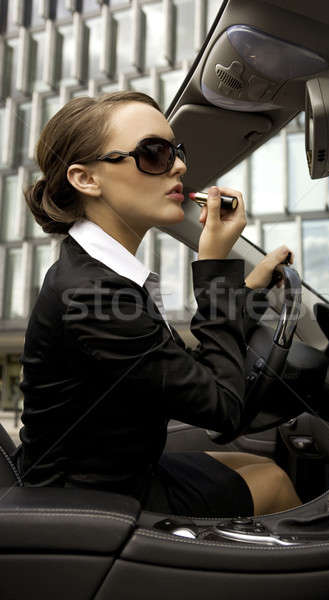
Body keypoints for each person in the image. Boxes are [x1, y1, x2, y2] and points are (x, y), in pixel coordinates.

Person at [16, 90, 301, 518]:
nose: (181, 166)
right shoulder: (95, 295)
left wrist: (250, 287)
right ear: (86, 179)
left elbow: (181, 369)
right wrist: (211, 262)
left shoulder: (98, 275)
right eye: (155, 153)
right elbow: (224, 405)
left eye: (176, 151)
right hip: (90, 505)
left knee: (258, 465)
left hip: (116, 475)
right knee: (275, 483)